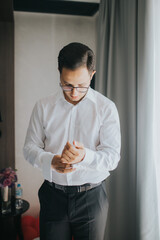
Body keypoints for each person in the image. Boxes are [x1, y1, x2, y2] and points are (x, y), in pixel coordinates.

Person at [23, 42, 121, 240]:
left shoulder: (106, 108)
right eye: (67, 85)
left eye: (82, 86)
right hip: (52, 197)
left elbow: (112, 158)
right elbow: (29, 148)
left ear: (92, 75)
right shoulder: (43, 106)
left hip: (91, 199)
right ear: (59, 73)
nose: (74, 92)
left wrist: (84, 156)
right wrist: (50, 160)